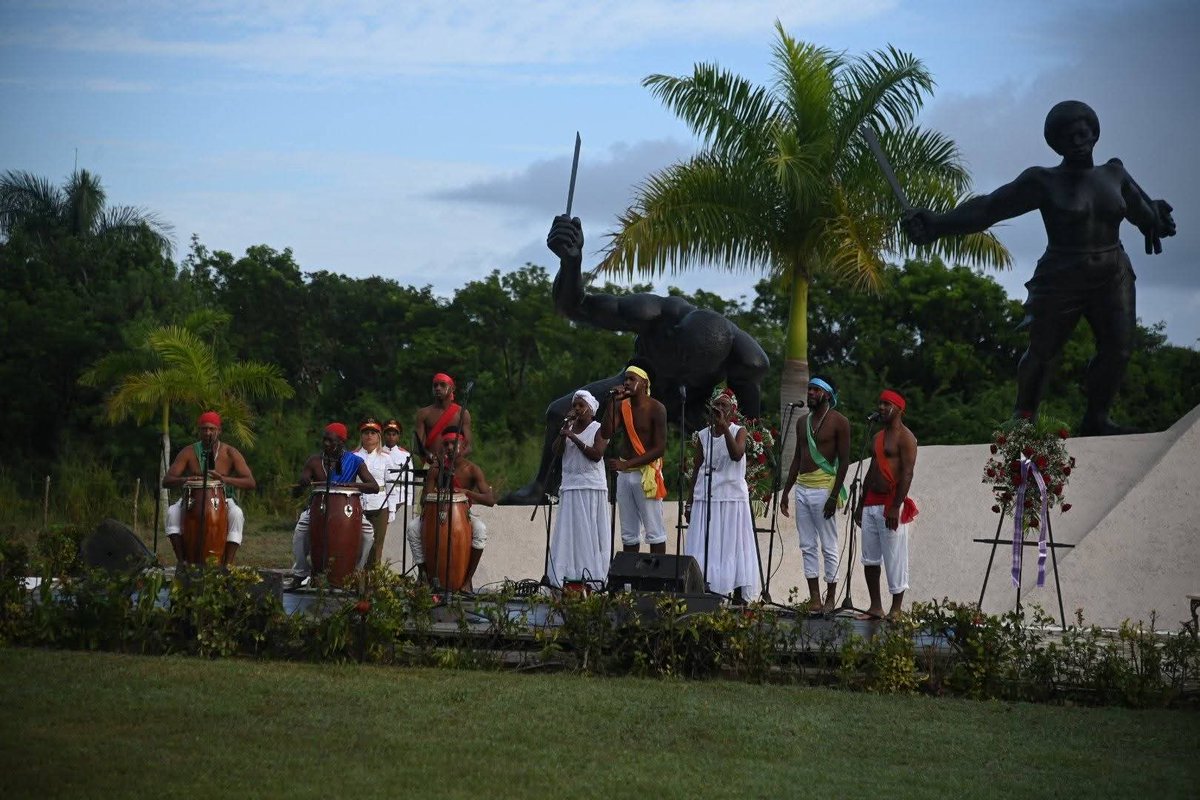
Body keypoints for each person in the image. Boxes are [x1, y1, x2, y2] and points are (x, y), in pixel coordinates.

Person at [902, 100, 1176, 436]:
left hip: (1112, 272)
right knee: (1043, 352)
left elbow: (1142, 211)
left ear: (1094, 133)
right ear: (1055, 143)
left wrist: (1157, 219)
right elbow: (990, 208)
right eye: (1066, 137)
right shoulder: (1043, 181)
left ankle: (1097, 418)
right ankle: (1023, 419)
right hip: (1062, 276)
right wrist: (938, 225)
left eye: (1082, 133)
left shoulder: (1114, 174)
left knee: (1118, 349)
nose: (1076, 141)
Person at [501, 214, 769, 504]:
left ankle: (717, 495)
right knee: (558, 413)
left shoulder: (748, 360)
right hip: (637, 380)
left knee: (721, 438)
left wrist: (752, 481)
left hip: (691, 402)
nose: (682, 371)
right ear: (671, 335)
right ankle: (543, 487)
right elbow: (574, 307)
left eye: (693, 370)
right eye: (680, 361)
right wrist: (571, 262)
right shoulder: (652, 314)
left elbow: (749, 428)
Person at [683, 387, 761, 602]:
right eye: (715, 405)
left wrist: (724, 426)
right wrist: (689, 502)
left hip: (731, 498)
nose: (718, 408)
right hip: (705, 496)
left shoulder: (739, 430)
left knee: (729, 546)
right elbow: (697, 468)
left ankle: (731, 591)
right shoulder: (702, 435)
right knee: (706, 543)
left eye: (723, 405)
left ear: (732, 411)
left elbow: (736, 454)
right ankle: (703, 586)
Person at [780, 377, 851, 613]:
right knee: (807, 545)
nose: (810, 393)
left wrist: (833, 497)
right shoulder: (802, 422)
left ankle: (831, 597)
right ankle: (815, 599)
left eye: (815, 390)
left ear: (827, 394)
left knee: (828, 546)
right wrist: (786, 491)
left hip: (824, 489)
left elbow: (844, 463)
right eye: (809, 389)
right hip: (802, 488)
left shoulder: (839, 422)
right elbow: (797, 458)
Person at [405, 427, 495, 590]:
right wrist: (438, 486)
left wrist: (467, 492)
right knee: (412, 528)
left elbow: (490, 500)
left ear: (463, 444)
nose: (450, 448)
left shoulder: (472, 469)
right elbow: (425, 498)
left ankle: (467, 581)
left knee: (480, 530)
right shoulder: (436, 469)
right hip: (435, 515)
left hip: (462, 515)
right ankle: (424, 575)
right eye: (446, 444)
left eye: (453, 444)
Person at [853, 390, 918, 620]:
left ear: (899, 409)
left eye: (885, 404)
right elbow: (871, 469)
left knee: (894, 557)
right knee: (869, 558)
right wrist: (861, 503)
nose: (880, 408)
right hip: (871, 501)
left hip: (891, 504)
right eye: (879, 403)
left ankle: (896, 609)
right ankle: (875, 606)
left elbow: (908, 474)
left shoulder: (906, 438)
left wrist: (894, 506)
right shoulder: (877, 436)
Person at [163, 410, 256, 565]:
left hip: (223, 498)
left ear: (219, 431)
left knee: (237, 515)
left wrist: (224, 479)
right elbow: (166, 481)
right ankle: (182, 562)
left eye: (212, 429)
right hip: (192, 499)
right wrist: (186, 478)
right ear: (199, 430)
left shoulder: (230, 452)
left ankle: (228, 565)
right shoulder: (189, 452)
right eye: (204, 429)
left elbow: (251, 482)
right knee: (172, 512)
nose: (208, 432)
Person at [291, 422, 379, 584]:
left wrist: (352, 485)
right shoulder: (314, 461)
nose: (326, 444)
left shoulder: (355, 461)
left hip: (348, 510)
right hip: (317, 508)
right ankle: (300, 572)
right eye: (324, 440)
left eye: (330, 441)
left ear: (341, 442)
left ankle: (356, 573)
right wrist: (301, 483)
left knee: (368, 534)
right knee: (300, 531)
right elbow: (295, 494)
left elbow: (374, 487)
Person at [600, 357, 668, 554]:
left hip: (646, 474)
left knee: (654, 531)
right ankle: (628, 583)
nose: (626, 383)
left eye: (631, 379)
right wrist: (612, 403)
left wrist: (627, 464)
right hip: (624, 474)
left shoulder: (657, 408)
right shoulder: (622, 405)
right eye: (625, 379)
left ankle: (657, 581)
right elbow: (606, 433)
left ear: (644, 383)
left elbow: (659, 449)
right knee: (629, 533)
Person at [547, 389, 611, 588]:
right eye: (574, 405)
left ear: (590, 409)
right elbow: (556, 451)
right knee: (570, 533)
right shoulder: (568, 427)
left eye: (581, 405)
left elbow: (597, 454)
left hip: (591, 488)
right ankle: (566, 576)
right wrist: (565, 430)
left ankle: (592, 577)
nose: (576, 409)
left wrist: (573, 437)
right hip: (570, 487)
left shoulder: (599, 428)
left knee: (589, 533)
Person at [353, 417, 393, 567]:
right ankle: (356, 575)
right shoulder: (354, 457)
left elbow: (390, 486)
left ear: (378, 436)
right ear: (361, 436)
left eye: (373, 433)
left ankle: (373, 578)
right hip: (359, 503)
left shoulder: (386, 458)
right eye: (366, 432)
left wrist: (392, 509)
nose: (369, 436)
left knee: (377, 544)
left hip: (380, 504)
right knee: (358, 541)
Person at [415, 372, 472, 464]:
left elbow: (468, 447)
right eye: (435, 385)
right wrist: (429, 456)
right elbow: (418, 446)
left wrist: (453, 458)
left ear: (452, 388)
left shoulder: (462, 413)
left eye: (442, 385)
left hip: (454, 465)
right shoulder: (423, 413)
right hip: (430, 464)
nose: (438, 388)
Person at [381, 417, 415, 533]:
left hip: (400, 499)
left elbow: (409, 482)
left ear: (398, 436)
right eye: (388, 434)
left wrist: (408, 504)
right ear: (383, 435)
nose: (391, 437)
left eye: (394, 434)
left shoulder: (405, 455)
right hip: (382, 497)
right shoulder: (378, 453)